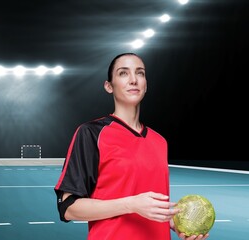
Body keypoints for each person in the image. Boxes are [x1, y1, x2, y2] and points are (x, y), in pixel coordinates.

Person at [54, 52, 209, 240]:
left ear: (146, 85)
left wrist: (174, 224)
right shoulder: (91, 133)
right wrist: (131, 204)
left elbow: (149, 206)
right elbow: (68, 208)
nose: (133, 80)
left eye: (140, 73)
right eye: (123, 73)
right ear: (109, 86)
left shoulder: (159, 141)